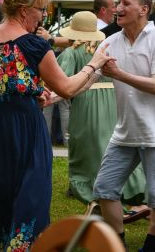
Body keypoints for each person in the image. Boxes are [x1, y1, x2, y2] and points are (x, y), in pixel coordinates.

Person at [0, 0, 111, 250]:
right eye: (41, 10)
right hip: (24, 129)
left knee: (1, 196)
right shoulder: (34, 46)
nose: (43, 16)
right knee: (31, 197)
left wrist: (26, 90)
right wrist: (94, 64)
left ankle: (5, 244)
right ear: (24, 10)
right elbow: (67, 88)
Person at [93, 0, 155, 252]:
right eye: (117, 2)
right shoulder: (109, 42)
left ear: (144, 9)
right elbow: (90, 76)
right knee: (104, 189)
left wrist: (118, 74)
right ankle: (118, 247)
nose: (118, 7)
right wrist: (53, 95)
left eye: (125, 3)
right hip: (125, 133)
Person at [55, 11, 145, 209]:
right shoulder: (108, 50)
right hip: (114, 101)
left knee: (91, 150)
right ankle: (128, 191)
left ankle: (97, 195)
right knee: (111, 147)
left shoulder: (70, 53)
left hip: (87, 103)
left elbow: (61, 83)